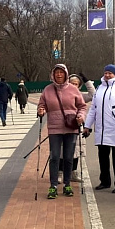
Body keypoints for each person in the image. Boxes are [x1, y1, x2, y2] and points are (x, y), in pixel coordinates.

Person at [37, 64, 88, 199]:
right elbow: (42, 104)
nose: (59, 75)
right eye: (56, 73)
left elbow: (82, 106)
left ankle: (67, 184)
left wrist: (81, 117)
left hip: (71, 127)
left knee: (68, 157)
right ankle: (53, 185)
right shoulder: (47, 90)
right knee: (54, 157)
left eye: (61, 72)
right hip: (54, 128)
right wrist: (41, 110)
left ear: (65, 74)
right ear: (53, 75)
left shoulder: (73, 89)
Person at [84, 65, 115, 193]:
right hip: (101, 128)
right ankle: (105, 181)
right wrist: (87, 126)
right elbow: (93, 109)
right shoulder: (100, 88)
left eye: (110, 73)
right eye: (105, 73)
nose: (107, 75)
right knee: (102, 156)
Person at [67, 73, 96, 182]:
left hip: (77, 125)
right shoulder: (62, 94)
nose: (74, 86)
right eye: (72, 83)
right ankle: (60, 172)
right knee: (61, 149)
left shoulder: (81, 96)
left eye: (76, 84)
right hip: (64, 125)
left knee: (76, 149)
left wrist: (87, 81)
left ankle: (73, 172)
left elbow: (93, 95)